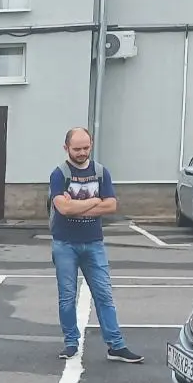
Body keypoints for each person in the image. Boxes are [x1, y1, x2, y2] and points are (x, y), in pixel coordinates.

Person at [50, 127, 144, 364]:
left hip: (94, 243)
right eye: (77, 149)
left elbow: (111, 206)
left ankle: (116, 346)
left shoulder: (101, 172)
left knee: (104, 296)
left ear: (91, 145)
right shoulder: (59, 174)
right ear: (66, 148)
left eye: (86, 148)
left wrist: (77, 206)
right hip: (65, 244)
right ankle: (71, 343)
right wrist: (94, 201)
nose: (82, 152)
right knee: (67, 297)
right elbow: (64, 208)